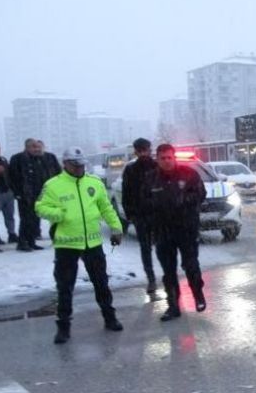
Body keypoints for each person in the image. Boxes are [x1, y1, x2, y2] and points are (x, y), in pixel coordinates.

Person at [35, 146, 124, 344]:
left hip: (92, 242)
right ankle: (63, 327)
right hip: (67, 244)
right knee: (65, 287)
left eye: (81, 165)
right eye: (74, 165)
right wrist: (58, 214)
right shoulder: (53, 185)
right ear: (64, 164)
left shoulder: (94, 183)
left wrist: (116, 228)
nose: (78, 169)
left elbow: (106, 208)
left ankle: (110, 317)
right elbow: (39, 206)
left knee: (101, 282)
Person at [146, 143, 207, 321]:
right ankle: (173, 306)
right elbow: (143, 202)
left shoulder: (189, 174)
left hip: (186, 229)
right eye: (162, 158)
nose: (166, 161)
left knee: (191, 265)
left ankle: (198, 295)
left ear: (174, 158)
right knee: (168, 271)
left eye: (169, 157)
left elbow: (201, 194)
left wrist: (183, 200)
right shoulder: (151, 179)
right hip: (162, 231)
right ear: (157, 159)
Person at [121, 138, 159, 292]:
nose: (144, 153)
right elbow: (126, 194)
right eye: (140, 150)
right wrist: (131, 215)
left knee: (164, 247)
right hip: (141, 216)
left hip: (158, 215)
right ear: (135, 152)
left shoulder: (157, 167)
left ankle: (169, 276)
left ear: (150, 150)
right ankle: (151, 279)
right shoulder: (130, 170)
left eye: (146, 150)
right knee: (145, 248)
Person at [9, 138, 61, 251]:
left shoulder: (40, 158)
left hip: (39, 194)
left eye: (37, 146)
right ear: (27, 147)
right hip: (25, 195)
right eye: (33, 146)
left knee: (35, 219)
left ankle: (31, 241)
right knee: (26, 220)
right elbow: (12, 177)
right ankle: (22, 243)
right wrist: (17, 193)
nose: (36, 149)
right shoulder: (17, 158)